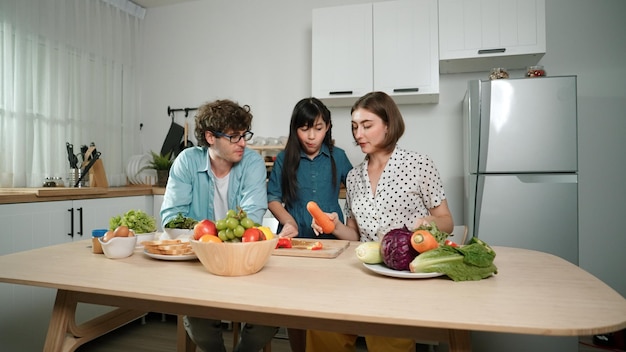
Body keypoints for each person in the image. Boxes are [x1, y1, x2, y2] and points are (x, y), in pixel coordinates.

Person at [307, 91, 454, 352]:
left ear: (388, 124)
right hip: (360, 270)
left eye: (366, 125)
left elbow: (447, 221)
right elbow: (353, 234)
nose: (358, 134)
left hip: (400, 275)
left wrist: (426, 223)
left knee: (389, 342)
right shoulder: (353, 177)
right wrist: (333, 225)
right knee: (321, 326)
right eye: (354, 127)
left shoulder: (419, 165)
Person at [160, 99, 277, 352]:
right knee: (199, 323)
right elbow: (171, 218)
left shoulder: (253, 163)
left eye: (244, 135)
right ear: (210, 137)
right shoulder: (186, 162)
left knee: (270, 316)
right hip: (200, 263)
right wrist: (213, 235)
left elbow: (253, 218)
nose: (243, 143)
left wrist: (207, 232)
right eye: (234, 137)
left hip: (246, 261)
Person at [266, 97, 352, 352]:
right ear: (295, 129)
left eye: (318, 128)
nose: (312, 136)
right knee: (296, 308)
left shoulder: (339, 157)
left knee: (328, 307)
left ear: (327, 127)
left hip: (334, 246)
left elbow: (359, 193)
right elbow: (273, 199)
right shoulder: (284, 159)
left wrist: (340, 222)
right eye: (305, 129)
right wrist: (289, 221)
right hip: (297, 245)